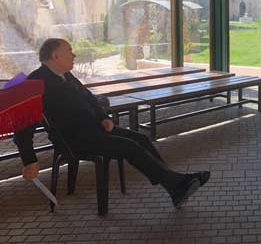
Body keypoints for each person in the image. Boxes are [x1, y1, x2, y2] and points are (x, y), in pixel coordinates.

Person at [14, 39, 210, 208]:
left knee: (141, 139)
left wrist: (103, 117)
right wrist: (29, 160)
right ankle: (175, 184)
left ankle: (173, 184)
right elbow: (22, 126)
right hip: (73, 139)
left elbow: (89, 98)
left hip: (94, 129)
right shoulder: (35, 83)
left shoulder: (66, 75)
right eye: (69, 51)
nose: (74, 55)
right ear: (55, 56)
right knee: (129, 146)